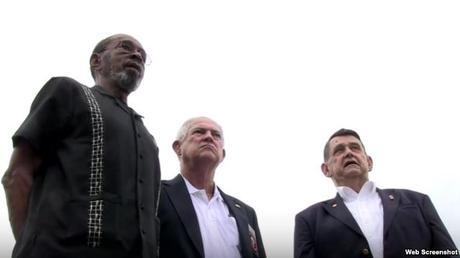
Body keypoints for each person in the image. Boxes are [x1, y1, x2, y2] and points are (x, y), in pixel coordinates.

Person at [2, 34, 161, 258]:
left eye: (143, 56)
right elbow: (17, 175)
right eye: (125, 47)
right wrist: (29, 246)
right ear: (96, 61)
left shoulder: (148, 138)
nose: (137, 55)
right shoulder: (69, 92)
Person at [294, 128, 458, 258]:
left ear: (369, 162)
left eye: (355, 148)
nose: (348, 152)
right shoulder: (309, 220)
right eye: (338, 150)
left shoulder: (417, 202)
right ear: (326, 169)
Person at [158, 116, 266, 258]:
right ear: (178, 148)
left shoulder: (246, 212)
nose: (209, 137)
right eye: (199, 131)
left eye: (216, 135)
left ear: (223, 155)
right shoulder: (156, 195)